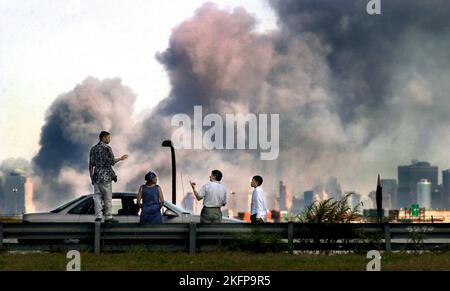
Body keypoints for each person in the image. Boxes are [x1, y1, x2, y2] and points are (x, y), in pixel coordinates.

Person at [89, 131, 128, 223]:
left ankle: (98, 216)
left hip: (96, 176)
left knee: (97, 197)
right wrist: (120, 158)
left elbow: (91, 165)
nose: (109, 139)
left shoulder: (93, 149)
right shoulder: (107, 148)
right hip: (106, 176)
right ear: (103, 138)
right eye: (108, 137)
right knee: (107, 197)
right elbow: (112, 162)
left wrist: (91, 177)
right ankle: (108, 216)